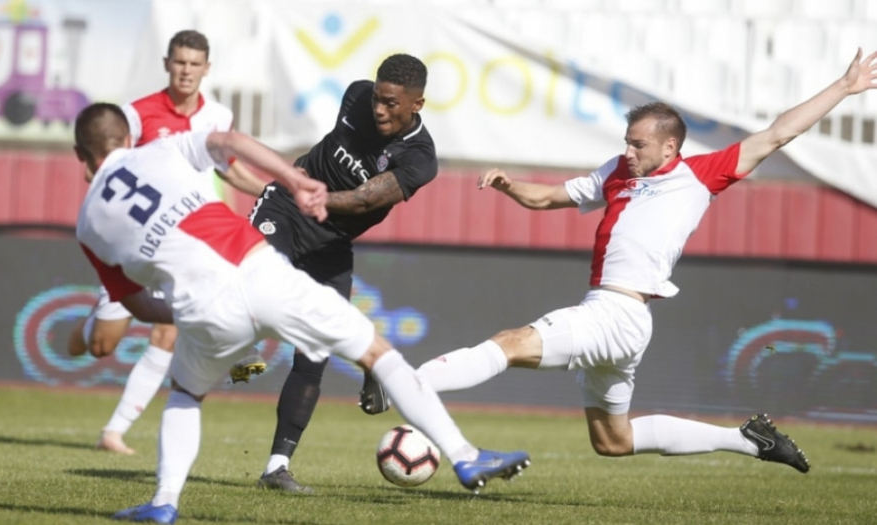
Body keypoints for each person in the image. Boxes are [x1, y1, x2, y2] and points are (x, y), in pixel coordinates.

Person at [365, 48, 877, 474]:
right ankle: (748, 440)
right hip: (619, 319)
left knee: (510, 342)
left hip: (616, 314)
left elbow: (778, 133)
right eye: (626, 142)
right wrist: (508, 185)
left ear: (670, 146)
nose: (628, 152)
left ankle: (401, 382)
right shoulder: (617, 172)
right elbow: (547, 198)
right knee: (613, 440)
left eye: (639, 144)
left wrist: (843, 86)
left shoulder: (699, 175)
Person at [71, 103, 531, 524]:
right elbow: (231, 142)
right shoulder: (161, 151)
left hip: (203, 308)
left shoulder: (88, 225)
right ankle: (464, 455)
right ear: (127, 138)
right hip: (258, 272)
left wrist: (184, 313)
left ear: (80, 154)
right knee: (376, 352)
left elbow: (136, 304)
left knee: (186, 394)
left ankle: (164, 503)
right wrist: (293, 179)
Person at [229, 53, 440, 493]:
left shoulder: (420, 158)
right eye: (377, 98)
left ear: (417, 104)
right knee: (256, 276)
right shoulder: (356, 95)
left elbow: (366, 199)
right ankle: (240, 348)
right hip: (286, 207)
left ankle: (276, 468)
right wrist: (302, 191)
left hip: (331, 240)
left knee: (313, 357)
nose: (378, 109)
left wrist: (319, 198)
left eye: (391, 104)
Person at [67, 29, 267, 455]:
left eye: (194, 64)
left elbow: (227, 167)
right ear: (166, 64)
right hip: (138, 241)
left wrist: (274, 191)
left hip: (187, 244)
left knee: (167, 333)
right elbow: (103, 171)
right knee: (102, 346)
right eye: (179, 62)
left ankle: (113, 432)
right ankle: (89, 328)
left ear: (207, 68)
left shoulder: (218, 116)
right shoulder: (135, 115)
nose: (186, 71)